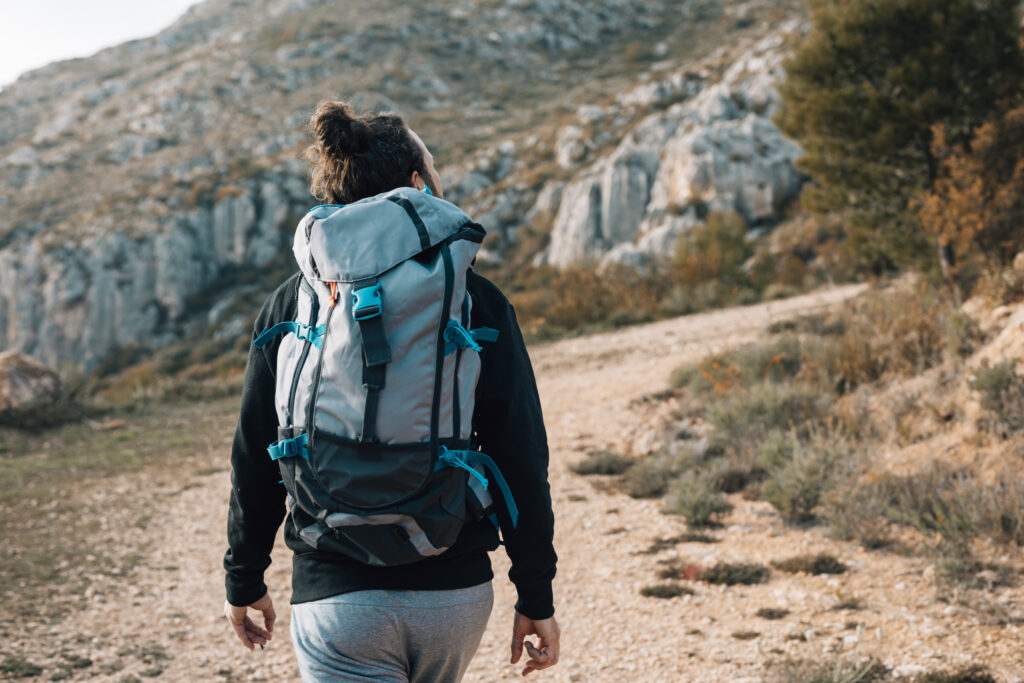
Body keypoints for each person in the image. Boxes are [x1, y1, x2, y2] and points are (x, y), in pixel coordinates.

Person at [222, 100, 559, 681]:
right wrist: (535, 594)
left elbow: (256, 453)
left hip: (335, 599)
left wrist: (244, 578)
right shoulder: (474, 297)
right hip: (453, 591)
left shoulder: (291, 303)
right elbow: (521, 453)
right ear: (412, 187)